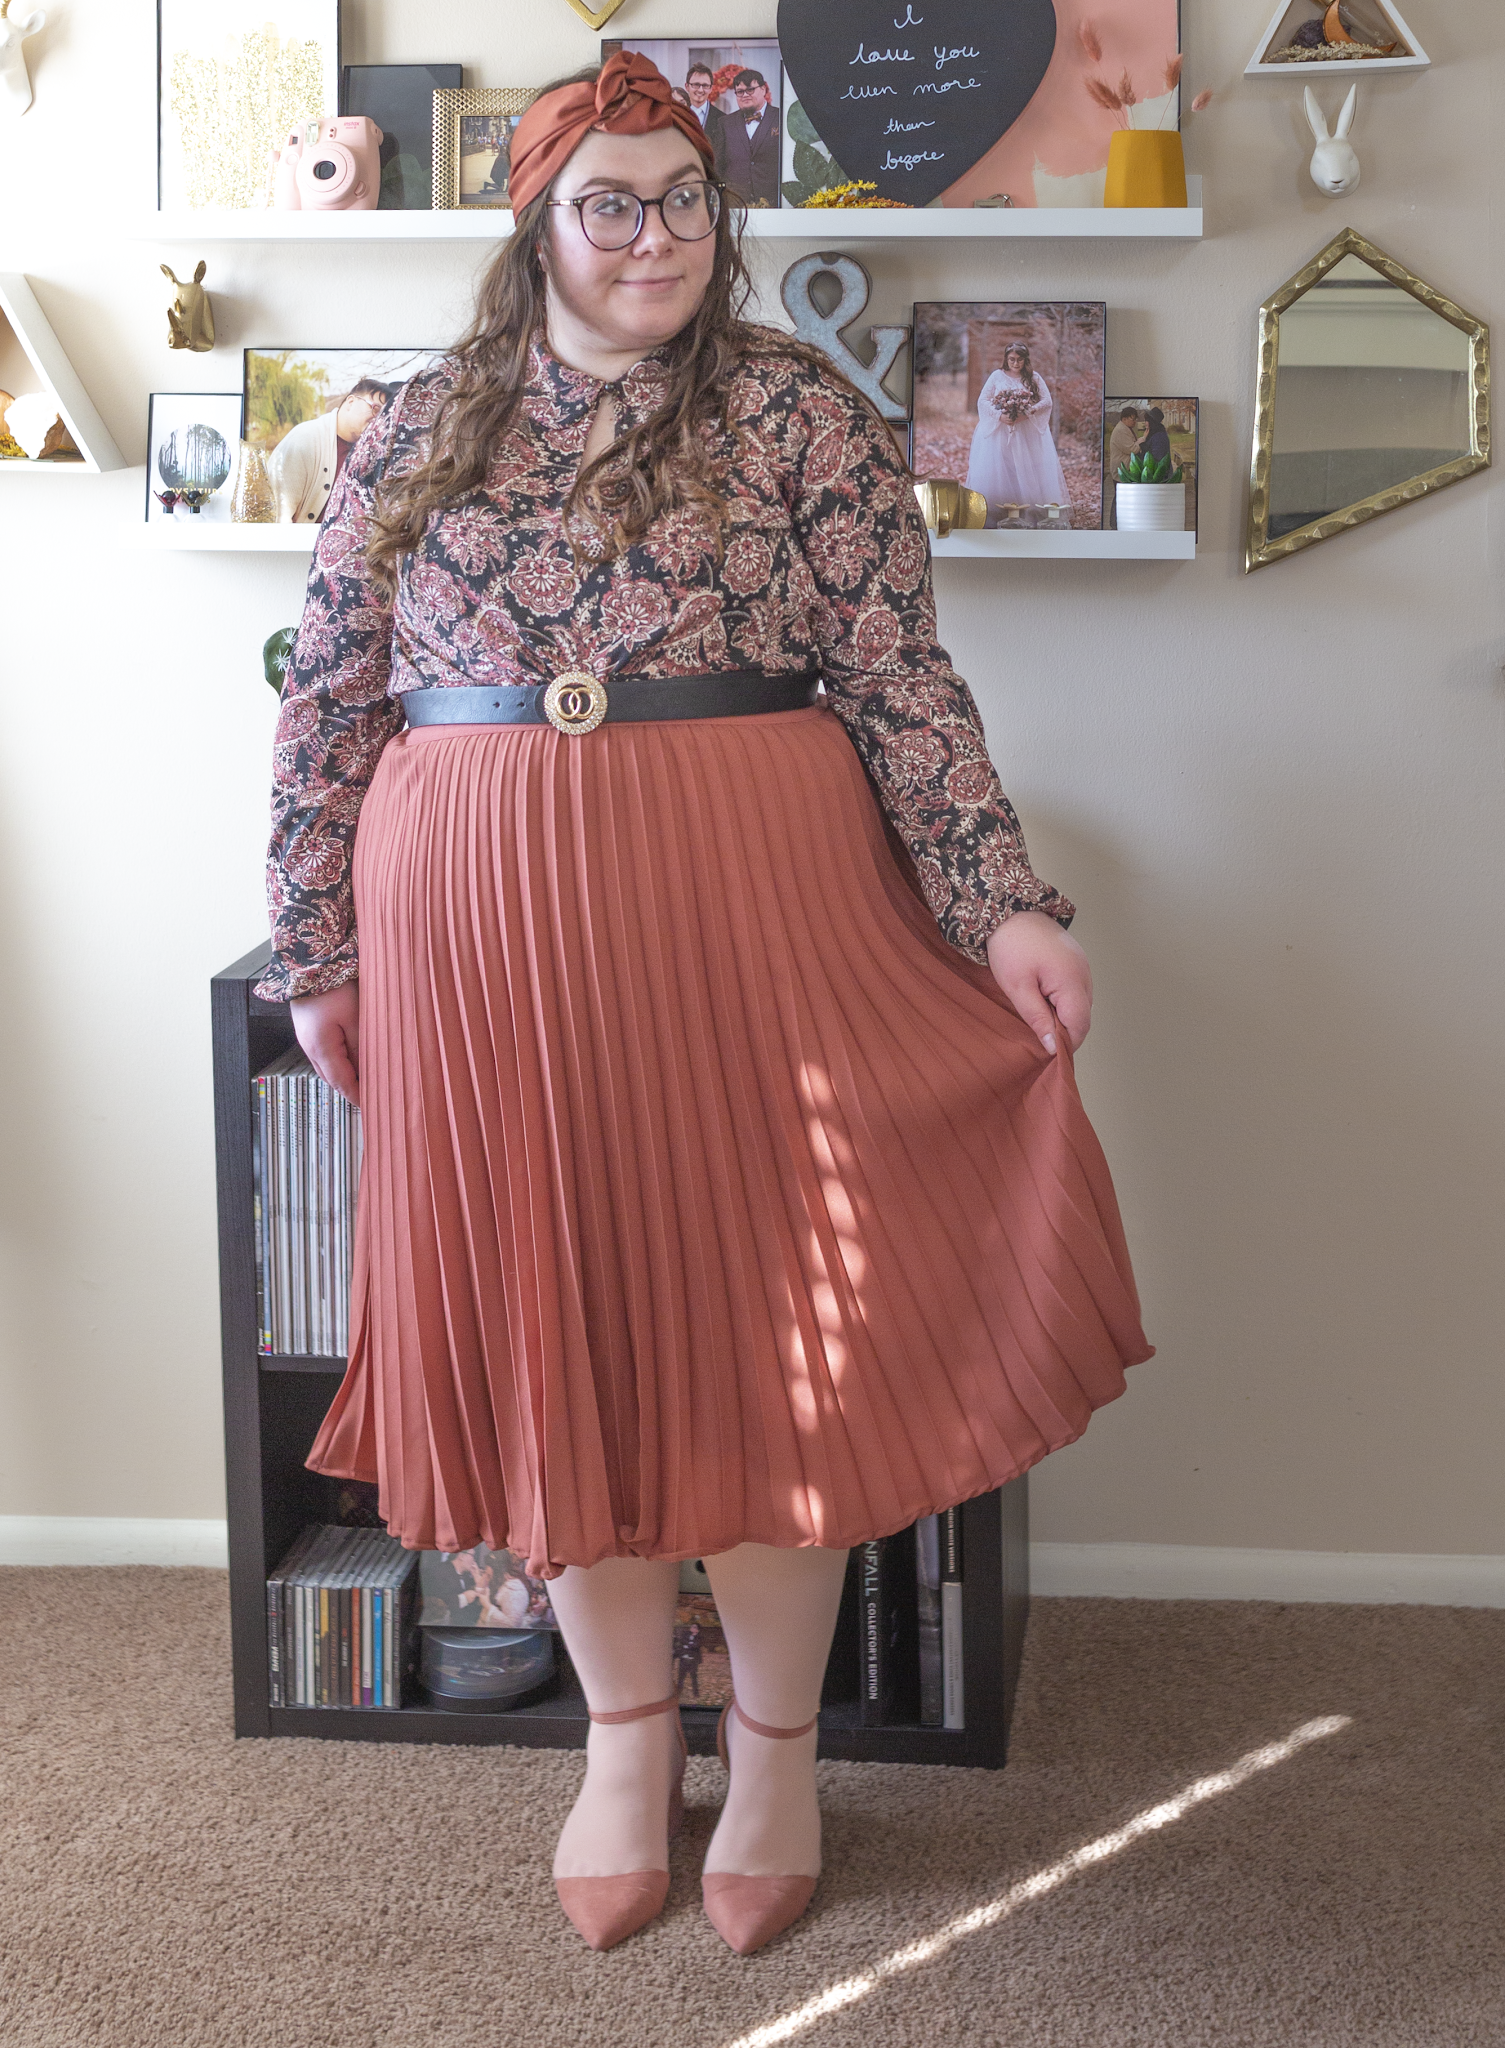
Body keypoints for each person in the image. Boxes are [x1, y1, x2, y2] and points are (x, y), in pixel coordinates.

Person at [262, 49, 1149, 1959]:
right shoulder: (415, 425)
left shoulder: (799, 419)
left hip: (752, 909)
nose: (653, 237)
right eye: (612, 203)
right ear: (540, 223)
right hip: (485, 944)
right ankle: (616, 1739)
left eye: (683, 201)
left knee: (772, 1337)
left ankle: (769, 1756)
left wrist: (997, 909)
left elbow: (901, 684)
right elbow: (326, 699)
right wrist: (316, 944)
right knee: (553, 1319)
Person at [966, 341, 1069, 524]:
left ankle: (1027, 512)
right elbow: (983, 400)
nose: (1016, 363)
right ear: (1006, 359)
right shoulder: (997, 376)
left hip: (1025, 431)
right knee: (1002, 469)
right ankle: (997, 513)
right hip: (1000, 432)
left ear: (1025, 360)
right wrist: (1000, 416)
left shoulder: (1033, 377)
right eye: (1012, 359)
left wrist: (1027, 413)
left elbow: (1046, 401)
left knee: (1024, 467)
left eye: (1020, 360)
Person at [268, 378, 391, 523]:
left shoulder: (375, 453)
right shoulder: (305, 438)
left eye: (384, 416)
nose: (378, 420)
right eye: (375, 409)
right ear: (350, 402)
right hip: (303, 543)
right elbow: (278, 514)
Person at [716, 67, 779, 207]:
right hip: (735, 204)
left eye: (750, 90)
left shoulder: (781, 118)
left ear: (763, 89)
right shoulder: (725, 123)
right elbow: (718, 167)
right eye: (740, 92)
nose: (744, 95)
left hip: (773, 204)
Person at [681, 60, 725, 165]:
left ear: (711, 88)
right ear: (687, 86)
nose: (700, 90)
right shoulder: (676, 115)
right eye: (696, 85)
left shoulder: (722, 119)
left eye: (705, 85)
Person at [1107, 404, 1143, 476]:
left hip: (1125, 470)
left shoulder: (1127, 428)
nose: (1135, 421)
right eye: (1133, 419)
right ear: (1124, 419)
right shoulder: (1120, 430)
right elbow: (1133, 449)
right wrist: (1142, 440)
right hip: (1122, 472)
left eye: (1136, 419)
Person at [1142, 404, 1174, 469]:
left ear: (1152, 421)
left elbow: (1156, 458)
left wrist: (1142, 444)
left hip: (1160, 475)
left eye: (1147, 420)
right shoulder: (1153, 433)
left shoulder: (1159, 436)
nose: (1145, 423)